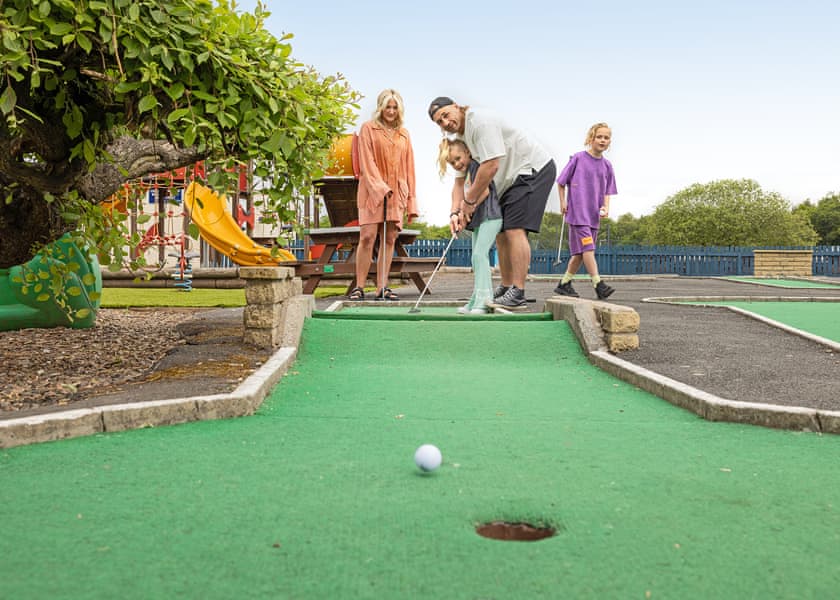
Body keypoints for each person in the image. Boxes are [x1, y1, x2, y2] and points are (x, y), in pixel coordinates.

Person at [428, 96, 555, 310]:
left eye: (445, 115)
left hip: (531, 169)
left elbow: (491, 166)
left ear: (457, 107)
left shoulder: (479, 121)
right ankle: (506, 287)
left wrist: (468, 202)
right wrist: (454, 213)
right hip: (509, 181)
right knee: (500, 232)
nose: (445, 123)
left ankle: (518, 291)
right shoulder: (460, 141)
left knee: (514, 228)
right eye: (439, 122)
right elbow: (459, 183)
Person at [350, 89, 418, 301]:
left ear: (399, 109)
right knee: (367, 237)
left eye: (394, 107)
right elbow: (366, 163)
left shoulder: (404, 134)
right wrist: (380, 188)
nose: (390, 111)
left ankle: (382, 287)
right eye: (387, 107)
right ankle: (359, 287)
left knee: (389, 239)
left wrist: (411, 200)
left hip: (397, 192)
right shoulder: (368, 129)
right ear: (380, 107)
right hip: (372, 192)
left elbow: (409, 168)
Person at [437, 138, 502, 314]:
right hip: (480, 219)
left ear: (467, 152)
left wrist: (465, 211)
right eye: (452, 163)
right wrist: (460, 213)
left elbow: (485, 191)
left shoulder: (475, 166)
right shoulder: (467, 173)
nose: (457, 164)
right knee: (476, 258)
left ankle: (484, 300)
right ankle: (477, 298)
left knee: (480, 256)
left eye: (458, 158)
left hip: (490, 215)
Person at [553, 122, 617, 300]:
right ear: (591, 139)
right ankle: (598, 284)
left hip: (594, 215)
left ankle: (564, 283)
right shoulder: (578, 158)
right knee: (588, 248)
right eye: (599, 137)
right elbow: (560, 182)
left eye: (606, 138)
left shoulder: (607, 166)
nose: (603, 140)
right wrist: (563, 202)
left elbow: (607, 191)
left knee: (581, 254)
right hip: (578, 213)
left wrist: (606, 207)